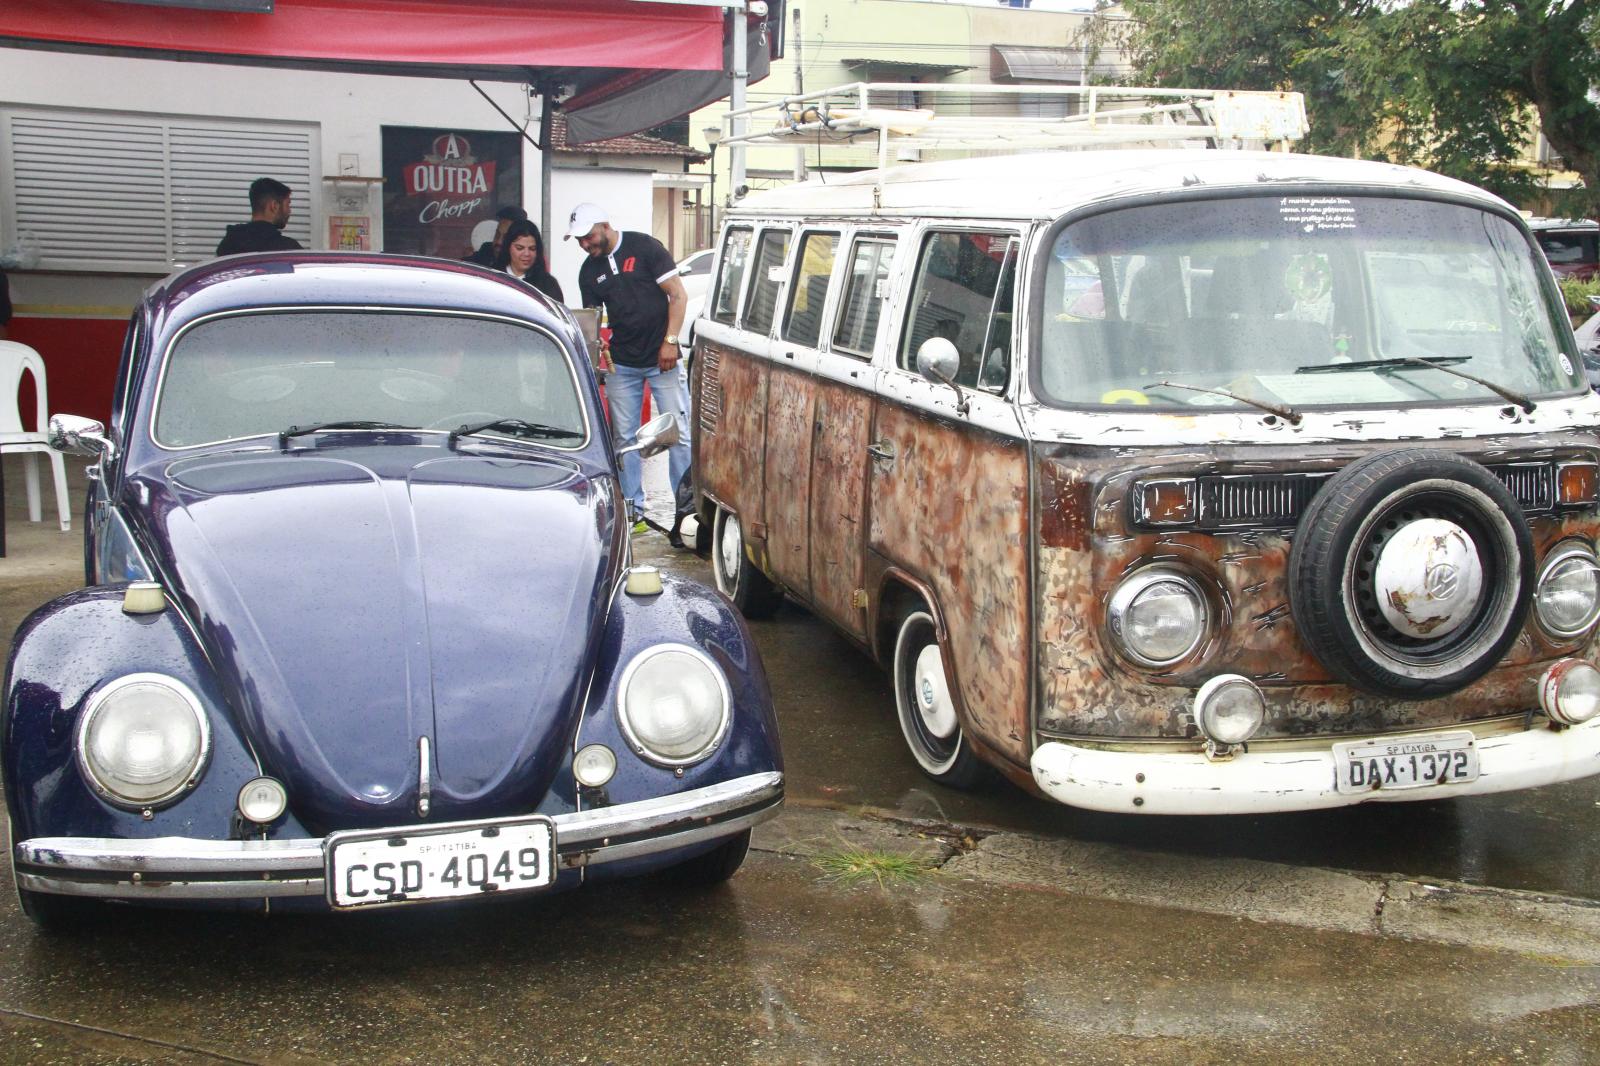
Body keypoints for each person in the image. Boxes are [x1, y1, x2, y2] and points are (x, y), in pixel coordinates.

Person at [568, 202, 690, 531]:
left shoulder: (645, 247)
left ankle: (687, 509)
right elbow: (592, 320)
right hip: (622, 363)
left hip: (663, 359)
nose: (585, 244)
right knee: (625, 439)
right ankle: (633, 510)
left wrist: (671, 341)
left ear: (605, 226)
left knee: (679, 434)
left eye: (588, 236)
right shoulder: (588, 271)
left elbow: (678, 296)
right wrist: (597, 346)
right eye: (579, 240)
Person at [216, 177, 303, 255]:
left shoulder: (228, 244)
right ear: (274, 206)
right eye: (288, 204)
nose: (289, 211)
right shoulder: (288, 249)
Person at [495, 219, 563, 302]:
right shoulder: (494, 277)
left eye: (532, 249)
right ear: (508, 247)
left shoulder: (548, 284)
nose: (527, 254)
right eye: (520, 248)